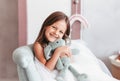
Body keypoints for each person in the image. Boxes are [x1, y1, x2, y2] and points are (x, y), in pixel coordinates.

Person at [33, 11, 73, 81]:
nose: (56, 33)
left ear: (64, 35)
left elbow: (68, 61)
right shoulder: (38, 45)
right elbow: (46, 69)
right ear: (46, 26)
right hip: (50, 75)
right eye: (54, 27)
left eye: (61, 32)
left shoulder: (61, 44)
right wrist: (57, 52)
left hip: (62, 73)